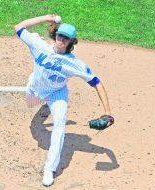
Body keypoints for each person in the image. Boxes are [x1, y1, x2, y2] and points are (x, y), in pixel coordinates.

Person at [14, 14, 114, 187]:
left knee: (60, 122)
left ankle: (49, 169)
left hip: (57, 93)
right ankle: (43, 106)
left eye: (66, 38)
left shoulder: (75, 64)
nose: (61, 39)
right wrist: (46, 18)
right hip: (35, 89)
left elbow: (97, 83)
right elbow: (19, 27)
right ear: (56, 35)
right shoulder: (40, 47)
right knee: (30, 104)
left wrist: (108, 112)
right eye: (60, 35)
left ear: (71, 42)